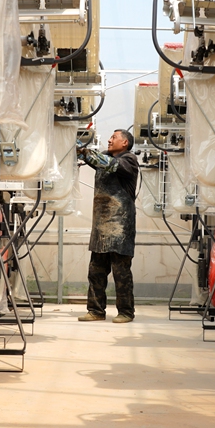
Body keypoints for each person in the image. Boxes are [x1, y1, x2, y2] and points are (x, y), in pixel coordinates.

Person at [76, 129, 139, 323]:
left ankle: (126, 312)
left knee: (121, 273)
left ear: (125, 143)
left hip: (120, 226)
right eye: (110, 137)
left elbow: (110, 165)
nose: (109, 140)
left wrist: (85, 151)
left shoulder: (129, 160)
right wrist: (75, 145)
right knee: (96, 271)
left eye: (114, 138)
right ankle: (96, 310)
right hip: (101, 226)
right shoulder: (103, 158)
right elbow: (96, 160)